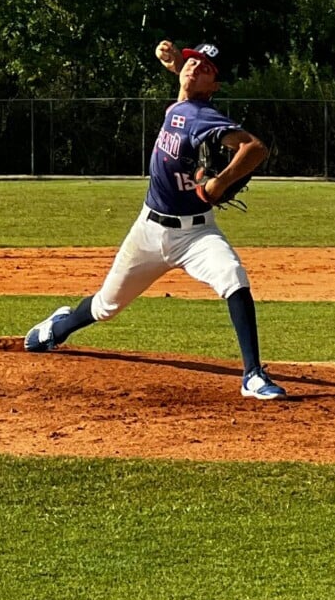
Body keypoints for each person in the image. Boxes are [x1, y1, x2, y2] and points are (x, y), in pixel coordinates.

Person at [24, 41, 286, 400]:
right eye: (193, 62)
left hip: (196, 234)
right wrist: (175, 61)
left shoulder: (203, 115)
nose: (196, 68)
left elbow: (254, 147)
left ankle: (252, 375)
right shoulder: (179, 104)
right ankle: (59, 327)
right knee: (105, 306)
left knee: (233, 277)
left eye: (206, 68)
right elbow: (185, 80)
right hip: (148, 232)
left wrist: (219, 184)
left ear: (215, 87)